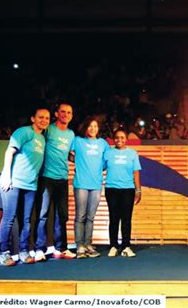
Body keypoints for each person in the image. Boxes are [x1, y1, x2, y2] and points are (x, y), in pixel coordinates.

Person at [0, 107, 50, 266]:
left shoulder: (42, 138)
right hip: (13, 182)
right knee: (9, 218)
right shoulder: (23, 132)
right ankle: (4, 253)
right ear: (33, 118)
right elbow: (9, 152)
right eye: (40, 117)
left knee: (26, 220)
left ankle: (23, 251)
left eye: (47, 118)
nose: (44, 120)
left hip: (31, 185)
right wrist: (6, 175)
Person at [34, 103, 76, 262]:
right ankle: (39, 249)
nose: (66, 114)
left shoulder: (71, 134)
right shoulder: (49, 129)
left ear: (72, 116)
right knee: (43, 214)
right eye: (63, 112)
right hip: (46, 177)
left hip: (62, 179)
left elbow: (67, 155)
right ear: (57, 114)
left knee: (62, 215)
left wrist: (82, 161)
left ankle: (61, 248)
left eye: (69, 112)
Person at [70, 117, 109, 258]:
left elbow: (106, 161)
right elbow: (68, 154)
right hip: (81, 184)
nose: (93, 129)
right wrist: (77, 162)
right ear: (85, 127)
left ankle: (88, 244)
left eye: (95, 126)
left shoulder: (103, 143)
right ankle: (79, 245)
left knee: (91, 217)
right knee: (80, 216)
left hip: (96, 185)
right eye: (90, 126)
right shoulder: (78, 141)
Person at [104, 128, 142, 257]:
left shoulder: (132, 154)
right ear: (114, 139)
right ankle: (113, 246)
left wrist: (138, 190)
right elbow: (99, 167)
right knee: (113, 218)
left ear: (126, 139)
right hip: (111, 189)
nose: (119, 140)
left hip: (128, 190)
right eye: (117, 137)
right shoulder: (108, 153)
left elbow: (136, 172)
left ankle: (126, 246)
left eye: (122, 137)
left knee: (126, 219)